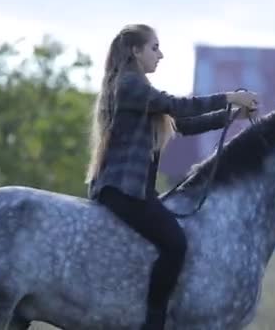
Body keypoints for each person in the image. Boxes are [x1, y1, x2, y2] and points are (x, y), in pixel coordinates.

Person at [84, 24, 258, 329]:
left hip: (134, 191)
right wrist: (229, 97)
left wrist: (231, 116)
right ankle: (154, 320)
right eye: (154, 48)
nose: (160, 55)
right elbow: (179, 106)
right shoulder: (130, 86)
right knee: (175, 243)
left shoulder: (137, 90)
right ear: (135, 52)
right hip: (123, 191)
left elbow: (184, 124)